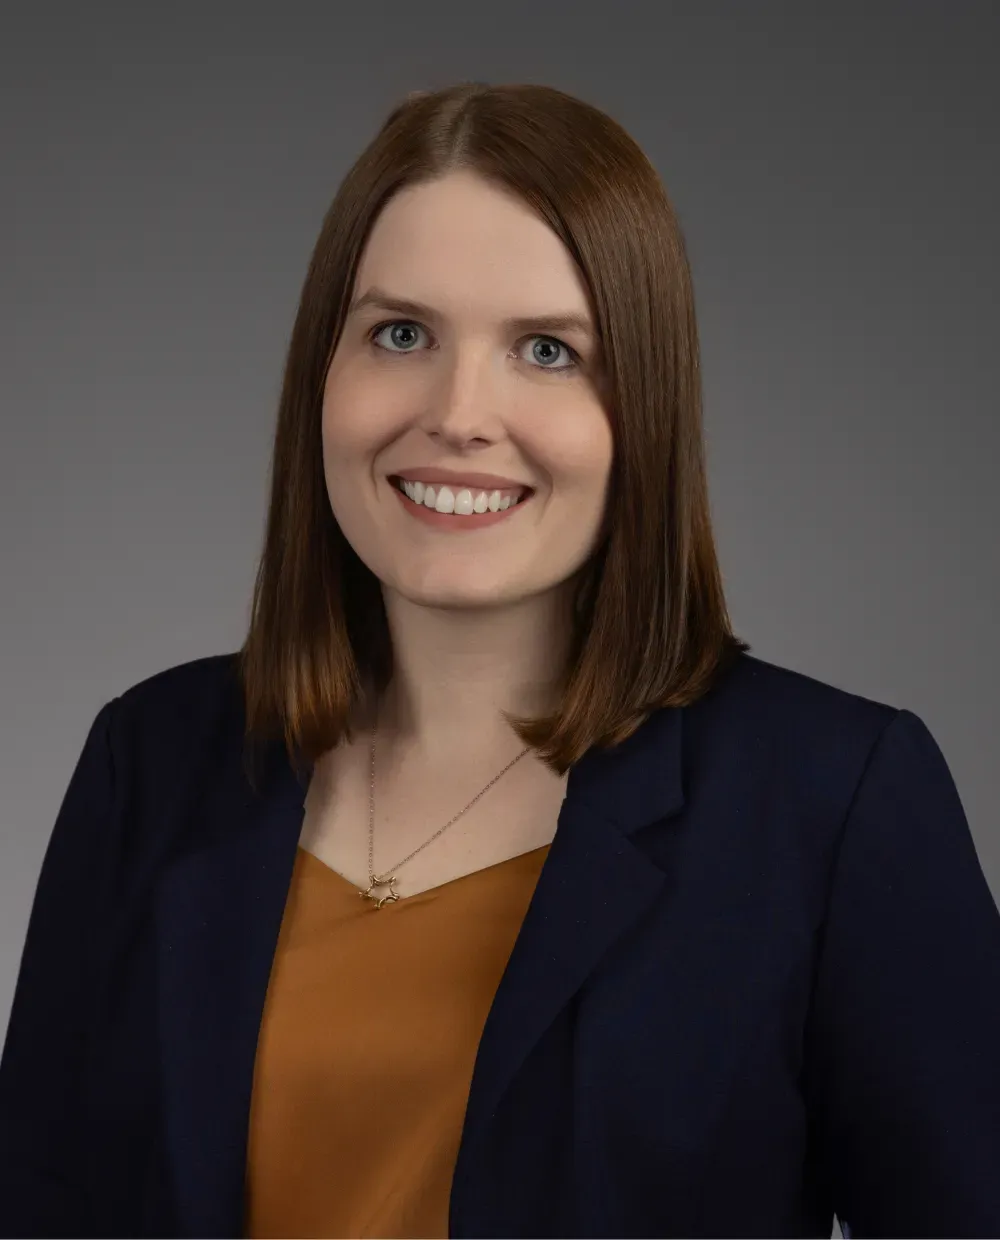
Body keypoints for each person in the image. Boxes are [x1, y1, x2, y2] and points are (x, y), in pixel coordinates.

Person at [1, 80, 998, 1240]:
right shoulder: (151, 762)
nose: (460, 413)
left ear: (646, 408)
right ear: (321, 373)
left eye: (546, 350)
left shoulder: (829, 802)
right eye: (402, 334)